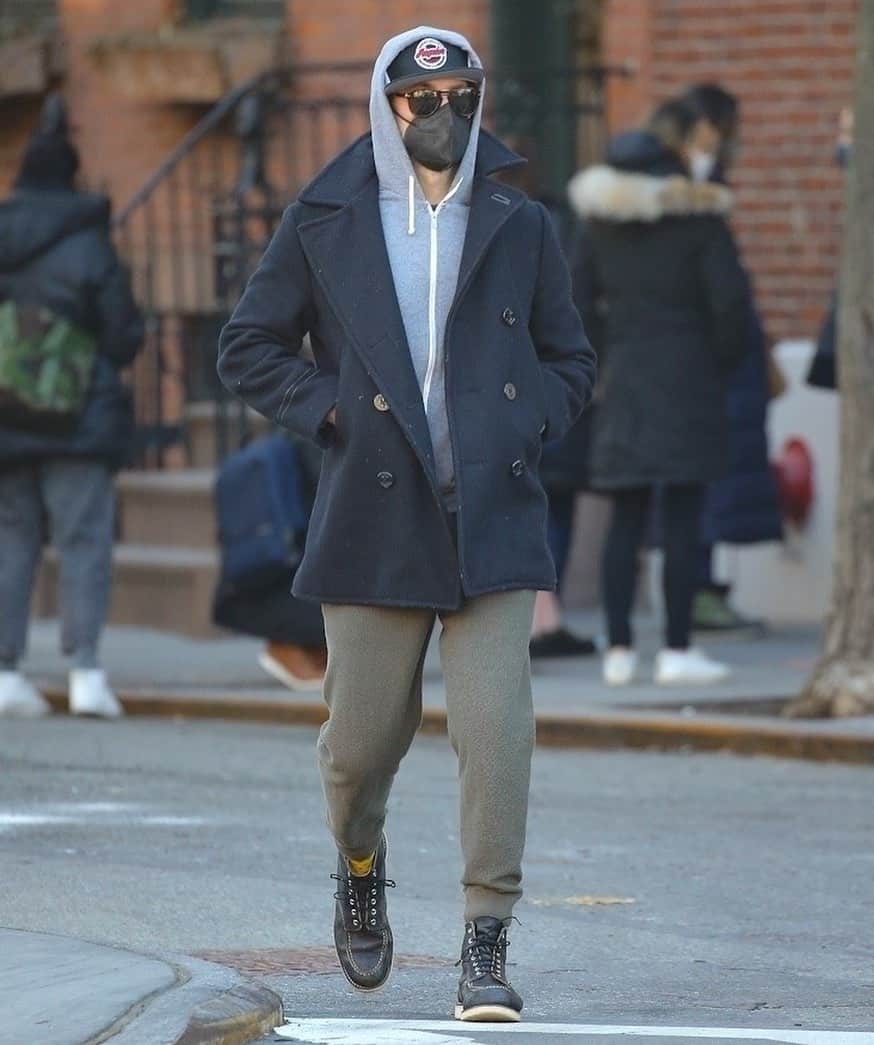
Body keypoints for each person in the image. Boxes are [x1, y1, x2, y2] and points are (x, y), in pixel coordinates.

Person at [218, 26, 596, 1022]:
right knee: (358, 746)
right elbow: (248, 344)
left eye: (462, 95)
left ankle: (485, 940)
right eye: (420, 100)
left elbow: (572, 357)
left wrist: (528, 418)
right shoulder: (326, 215)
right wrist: (331, 410)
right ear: (385, 106)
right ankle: (359, 862)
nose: (443, 116)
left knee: (494, 733)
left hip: (491, 511)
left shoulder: (519, 220)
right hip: (375, 514)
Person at [568, 98, 749, 686]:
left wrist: (600, 365)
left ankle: (618, 650)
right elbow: (731, 310)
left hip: (623, 380)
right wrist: (720, 362)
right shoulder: (699, 223)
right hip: (688, 376)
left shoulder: (597, 229)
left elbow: (576, 308)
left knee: (625, 517)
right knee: (681, 520)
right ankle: (676, 648)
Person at [0, 106, 144, 718]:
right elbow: (123, 336)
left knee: (11, 541)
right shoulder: (90, 244)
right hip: (77, 419)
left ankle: (5, 675)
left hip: (6, 417)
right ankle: (85, 673)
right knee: (84, 542)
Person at [681, 84, 784, 632]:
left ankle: (702, 588)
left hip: (724, 367)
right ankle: (697, 592)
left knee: (712, 483)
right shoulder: (695, 199)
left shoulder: (703, 195)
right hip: (716, 370)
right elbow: (720, 295)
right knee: (707, 486)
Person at [496, 136, 597, 659]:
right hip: (538, 400)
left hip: (523, 398)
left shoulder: (521, 230)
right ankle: (542, 620)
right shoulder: (546, 227)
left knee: (536, 512)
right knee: (546, 512)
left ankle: (538, 619)